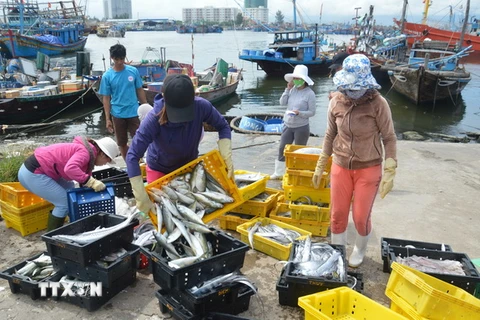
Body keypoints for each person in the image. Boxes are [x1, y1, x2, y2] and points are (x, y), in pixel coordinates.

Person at [312, 54, 397, 268]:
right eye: (348, 88)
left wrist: (390, 167)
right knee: (337, 214)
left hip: (368, 167)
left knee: (360, 217)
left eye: (356, 87)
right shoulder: (336, 102)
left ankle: (359, 249)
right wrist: (322, 162)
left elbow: (389, 137)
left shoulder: (378, 104)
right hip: (340, 165)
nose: (352, 92)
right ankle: (337, 252)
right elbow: (330, 134)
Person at [125, 74, 234, 217]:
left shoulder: (202, 107)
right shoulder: (153, 118)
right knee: (165, 215)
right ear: (165, 99)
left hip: (188, 168)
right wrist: (140, 195)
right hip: (159, 169)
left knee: (189, 213)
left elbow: (223, 126)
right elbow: (132, 156)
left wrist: (226, 155)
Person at [17, 137, 120, 231]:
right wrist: (91, 182)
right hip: (32, 173)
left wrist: (87, 183)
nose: (105, 164)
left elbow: (82, 174)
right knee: (64, 203)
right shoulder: (85, 152)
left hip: (41, 171)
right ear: (102, 154)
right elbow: (70, 169)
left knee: (71, 192)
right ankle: (52, 237)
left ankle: (75, 224)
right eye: (108, 160)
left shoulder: (89, 152)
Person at [99, 44, 149, 160]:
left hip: (133, 111)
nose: (120, 62)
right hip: (117, 113)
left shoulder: (133, 71)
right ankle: (129, 164)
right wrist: (107, 119)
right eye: (117, 59)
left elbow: (139, 90)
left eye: (122, 59)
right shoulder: (107, 76)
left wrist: (145, 107)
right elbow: (106, 98)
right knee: (121, 142)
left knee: (139, 139)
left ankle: (140, 160)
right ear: (112, 58)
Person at [270, 64, 316, 180]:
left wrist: (299, 113)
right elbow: (282, 103)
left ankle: (297, 173)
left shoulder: (310, 94)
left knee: (300, 151)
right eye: (294, 78)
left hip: (301, 126)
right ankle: (279, 172)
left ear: (304, 80)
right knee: (282, 148)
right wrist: (287, 89)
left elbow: (312, 112)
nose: (296, 81)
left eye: (298, 79)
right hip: (288, 124)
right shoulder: (292, 90)